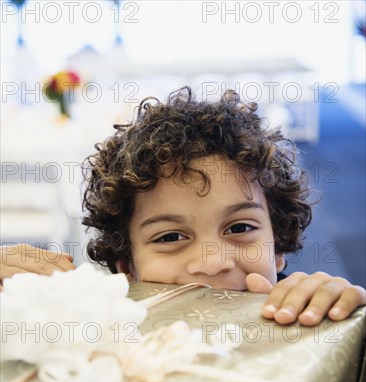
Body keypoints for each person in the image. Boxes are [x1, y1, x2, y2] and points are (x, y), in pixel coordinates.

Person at [1, 87, 365, 326]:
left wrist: (343, 315)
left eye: (239, 228)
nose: (212, 262)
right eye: (171, 236)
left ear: (279, 247)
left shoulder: (301, 311)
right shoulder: (104, 324)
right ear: (127, 268)